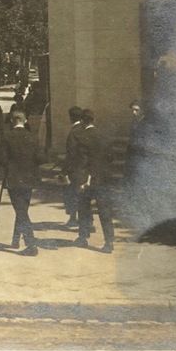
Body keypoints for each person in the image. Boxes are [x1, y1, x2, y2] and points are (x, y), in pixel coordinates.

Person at [0, 109, 42, 256]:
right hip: (29, 179)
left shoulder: (7, 137)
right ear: (26, 121)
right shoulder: (33, 137)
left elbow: (2, 159)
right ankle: (15, 240)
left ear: (12, 121)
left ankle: (31, 245)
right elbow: (40, 158)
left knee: (21, 211)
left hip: (13, 178)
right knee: (22, 209)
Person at [74, 108, 116, 253]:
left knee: (84, 208)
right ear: (94, 119)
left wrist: (81, 181)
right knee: (105, 210)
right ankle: (109, 241)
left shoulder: (81, 137)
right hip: (103, 178)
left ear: (82, 122)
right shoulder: (104, 136)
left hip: (88, 179)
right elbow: (110, 158)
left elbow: (82, 162)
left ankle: (83, 237)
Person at [61, 106, 85, 228]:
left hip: (75, 169)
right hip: (85, 168)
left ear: (71, 117)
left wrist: (64, 171)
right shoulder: (84, 129)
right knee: (82, 194)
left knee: (72, 194)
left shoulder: (73, 132)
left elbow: (70, 154)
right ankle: (85, 220)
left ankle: (73, 219)